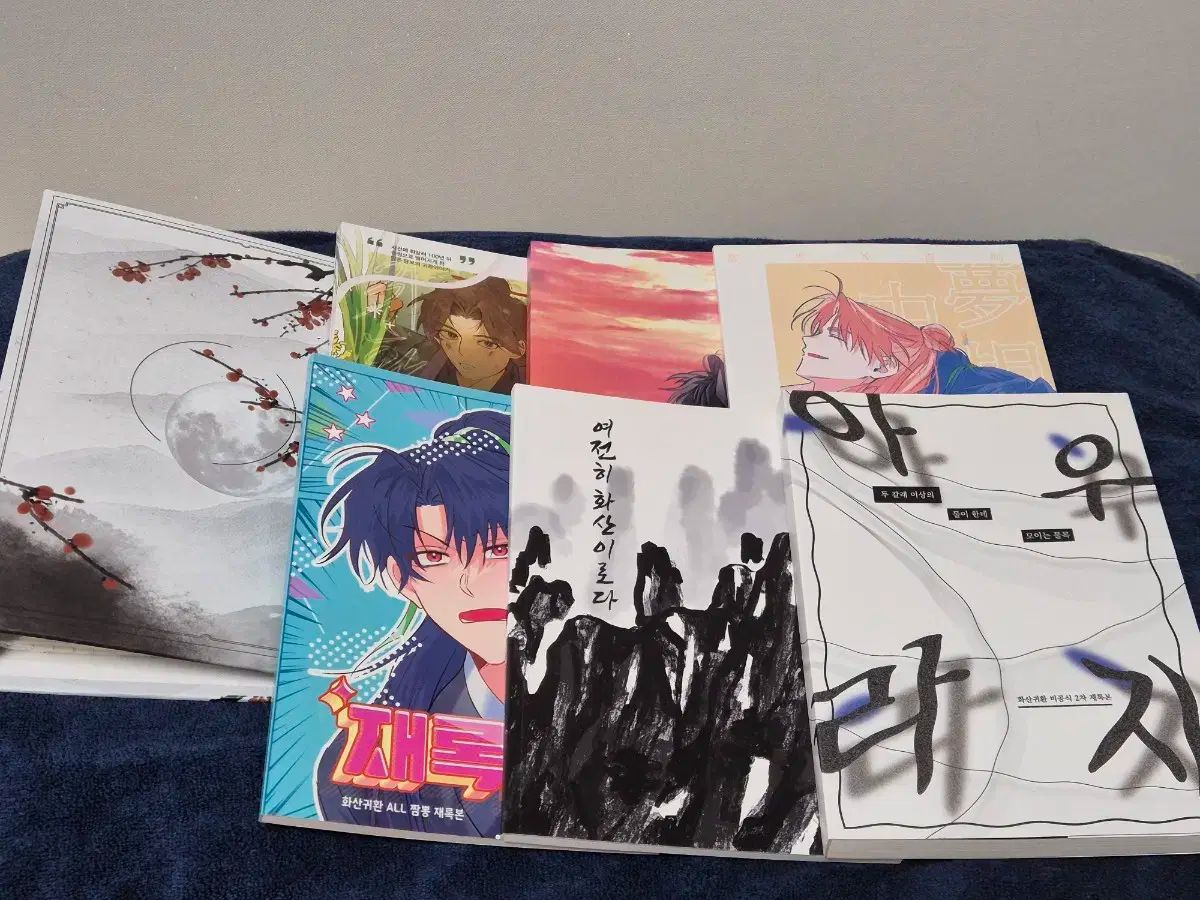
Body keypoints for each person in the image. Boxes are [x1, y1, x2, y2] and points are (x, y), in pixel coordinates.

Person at [312, 408, 511, 836]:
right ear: (402, 580)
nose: (470, 584)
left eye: (499, 549)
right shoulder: (360, 764)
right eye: (433, 556)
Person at [790, 274, 1053, 394]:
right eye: (816, 332)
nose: (808, 340)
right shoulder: (834, 391)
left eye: (834, 335)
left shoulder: (969, 388)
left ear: (883, 365)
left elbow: (1036, 402)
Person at [373, 277, 527, 394]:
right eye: (451, 334)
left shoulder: (525, 390)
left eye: (487, 343)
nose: (463, 353)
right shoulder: (420, 360)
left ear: (518, 348)